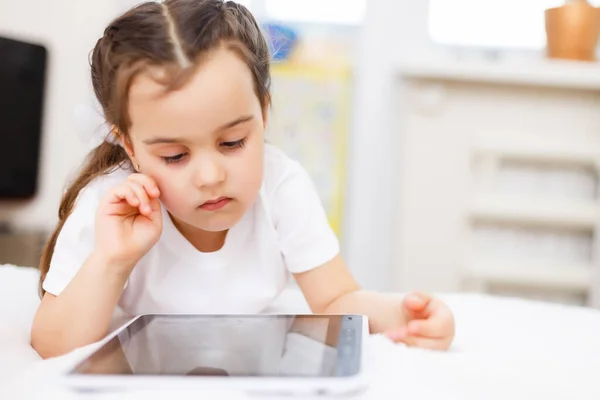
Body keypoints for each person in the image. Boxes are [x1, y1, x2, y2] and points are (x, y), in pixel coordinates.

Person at [30, 0, 455, 359]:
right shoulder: (110, 204)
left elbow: (335, 300)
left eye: (233, 142)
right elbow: (52, 345)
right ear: (128, 145)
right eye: (175, 155)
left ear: (264, 113)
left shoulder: (281, 186)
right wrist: (112, 260)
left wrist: (404, 313)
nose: (212, 176)